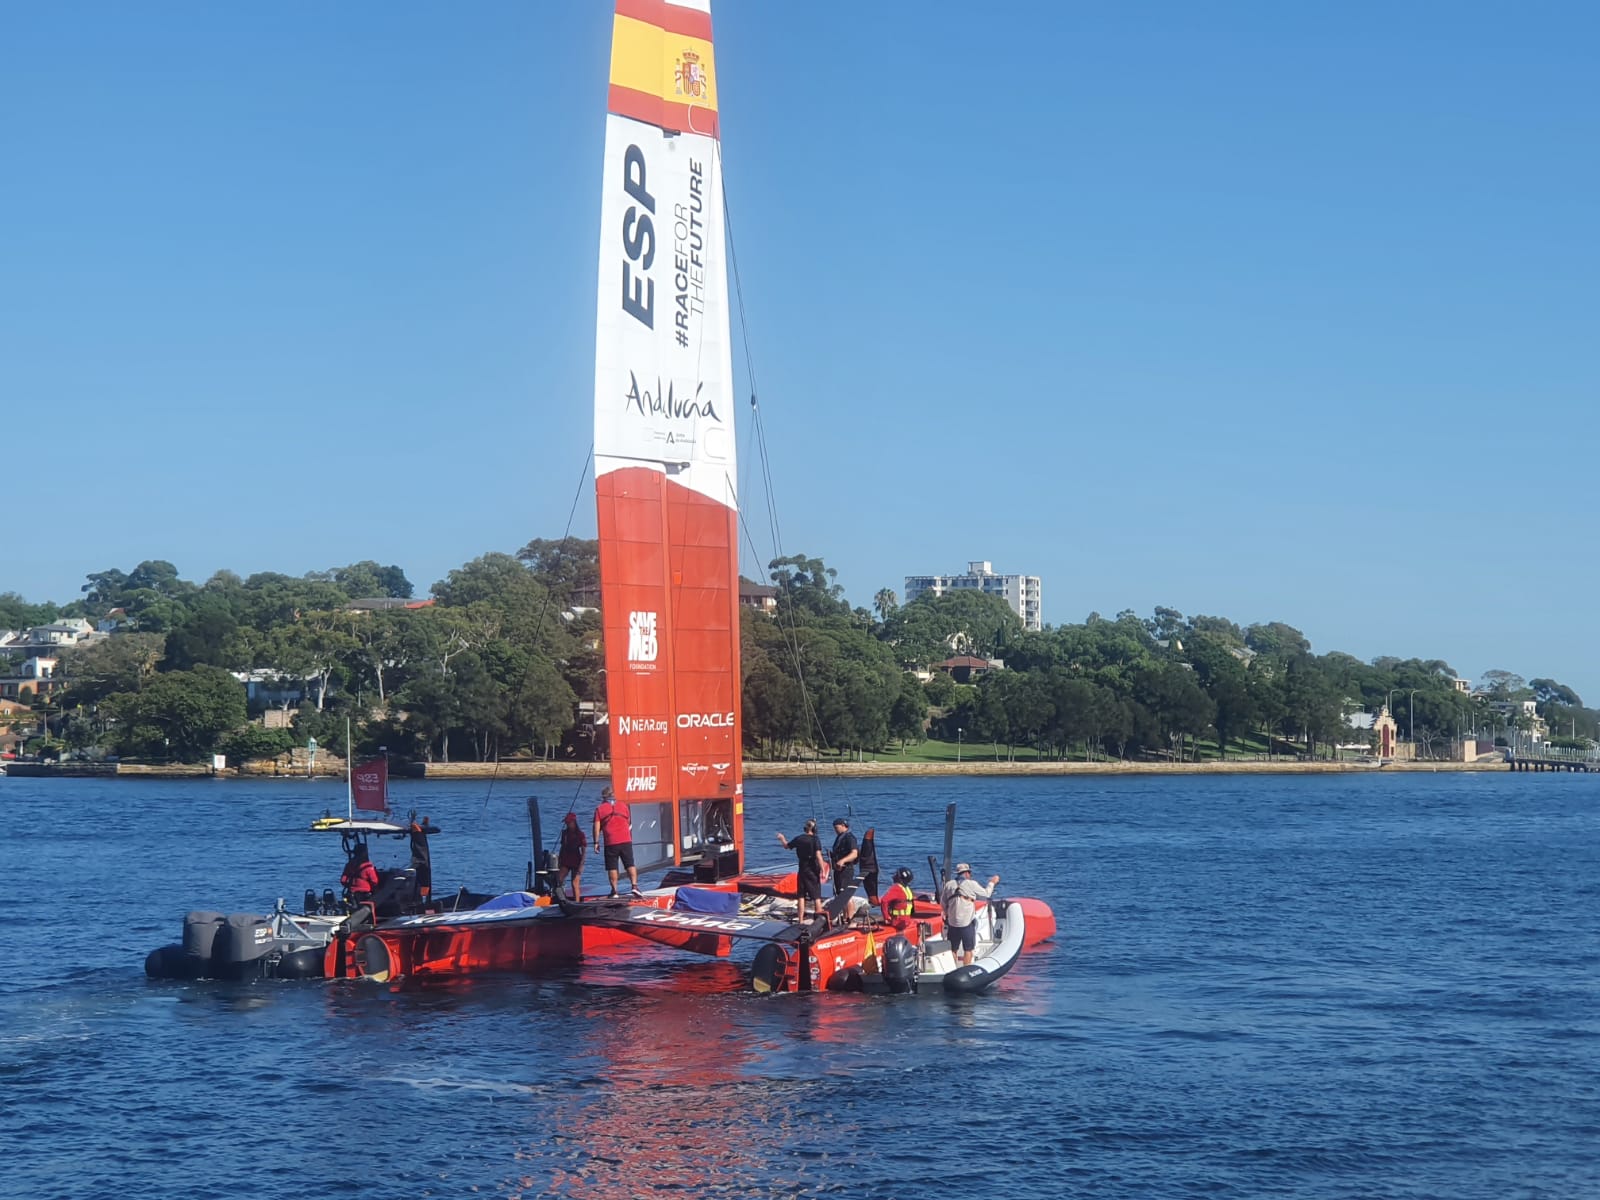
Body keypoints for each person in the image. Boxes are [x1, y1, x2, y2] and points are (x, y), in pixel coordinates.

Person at [940, 861, 1000, 967]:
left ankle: (953, 968)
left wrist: (948, 913)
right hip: (966, 923)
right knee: (968, 949)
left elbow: (943, 902)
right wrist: (992, 882)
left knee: (953, 949)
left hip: (952, 923)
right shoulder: (971, 884)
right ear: (967, 873)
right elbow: (986, 893)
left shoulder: (948, 885)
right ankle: (966, 968)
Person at [775, 818, 827, 923]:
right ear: (814, 829)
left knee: (801, 895)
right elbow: (818, 856)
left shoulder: (799, 838)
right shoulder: (815, 840)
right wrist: (823, 870)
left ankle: (800, 920)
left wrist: (782, 838)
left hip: (802, 868)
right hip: (812, 869)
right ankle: (818, 917)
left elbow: (787, 846)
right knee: (816, 895)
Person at [592, 786, 641, 898]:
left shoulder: (600, 809)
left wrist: (596, 842)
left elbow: (596, 827)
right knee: (630, 864)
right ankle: (634, 886)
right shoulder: (623, 806)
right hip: (626, 840)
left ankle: (614, 891)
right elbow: (628, 821)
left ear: (604, 797)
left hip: (611, 842)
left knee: (612, 867)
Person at [340, 842, 380, 921]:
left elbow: (343, 880)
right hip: (365, 894)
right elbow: (374, 881)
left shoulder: (350, 864)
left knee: (354, 908)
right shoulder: (368, 866)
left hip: (351, 893)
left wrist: (351, 885)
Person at [556, 811, 587, 900]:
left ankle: (577, 902)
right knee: (559, 879)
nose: (568, 825)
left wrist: (581, 865)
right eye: (566, 823)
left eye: (569, 823)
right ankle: (562, 898)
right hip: (566, 860)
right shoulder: (565, 833)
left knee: (575, 883)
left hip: (576, 860)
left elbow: (584, 851)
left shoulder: (580, 834)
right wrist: (559, 861)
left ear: (573, 822)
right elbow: (562, 848)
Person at [829, 817, 858, 896]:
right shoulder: (839, 837)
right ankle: (841, 908)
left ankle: (849, 908)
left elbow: (854, 854)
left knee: (845, 894)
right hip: (837, 870)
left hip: (846, 870)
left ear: (843, 825)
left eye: (836, 828)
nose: (835, 830)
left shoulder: (849, 837)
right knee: (838, 893)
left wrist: (843, 860)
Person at [880, 866, 916, 930]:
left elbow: (884, 900)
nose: (894, 876)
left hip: (898, 922)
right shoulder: (907, 889)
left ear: (899, 878)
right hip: (907, 920)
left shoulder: (896, 888)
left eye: (896, 874)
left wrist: (886, 917)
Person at [858, 827, 880, 903]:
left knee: (867, 850)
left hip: (869, 868)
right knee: (867, 850)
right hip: (869, 868)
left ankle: (874, 901)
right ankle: (873, 900)